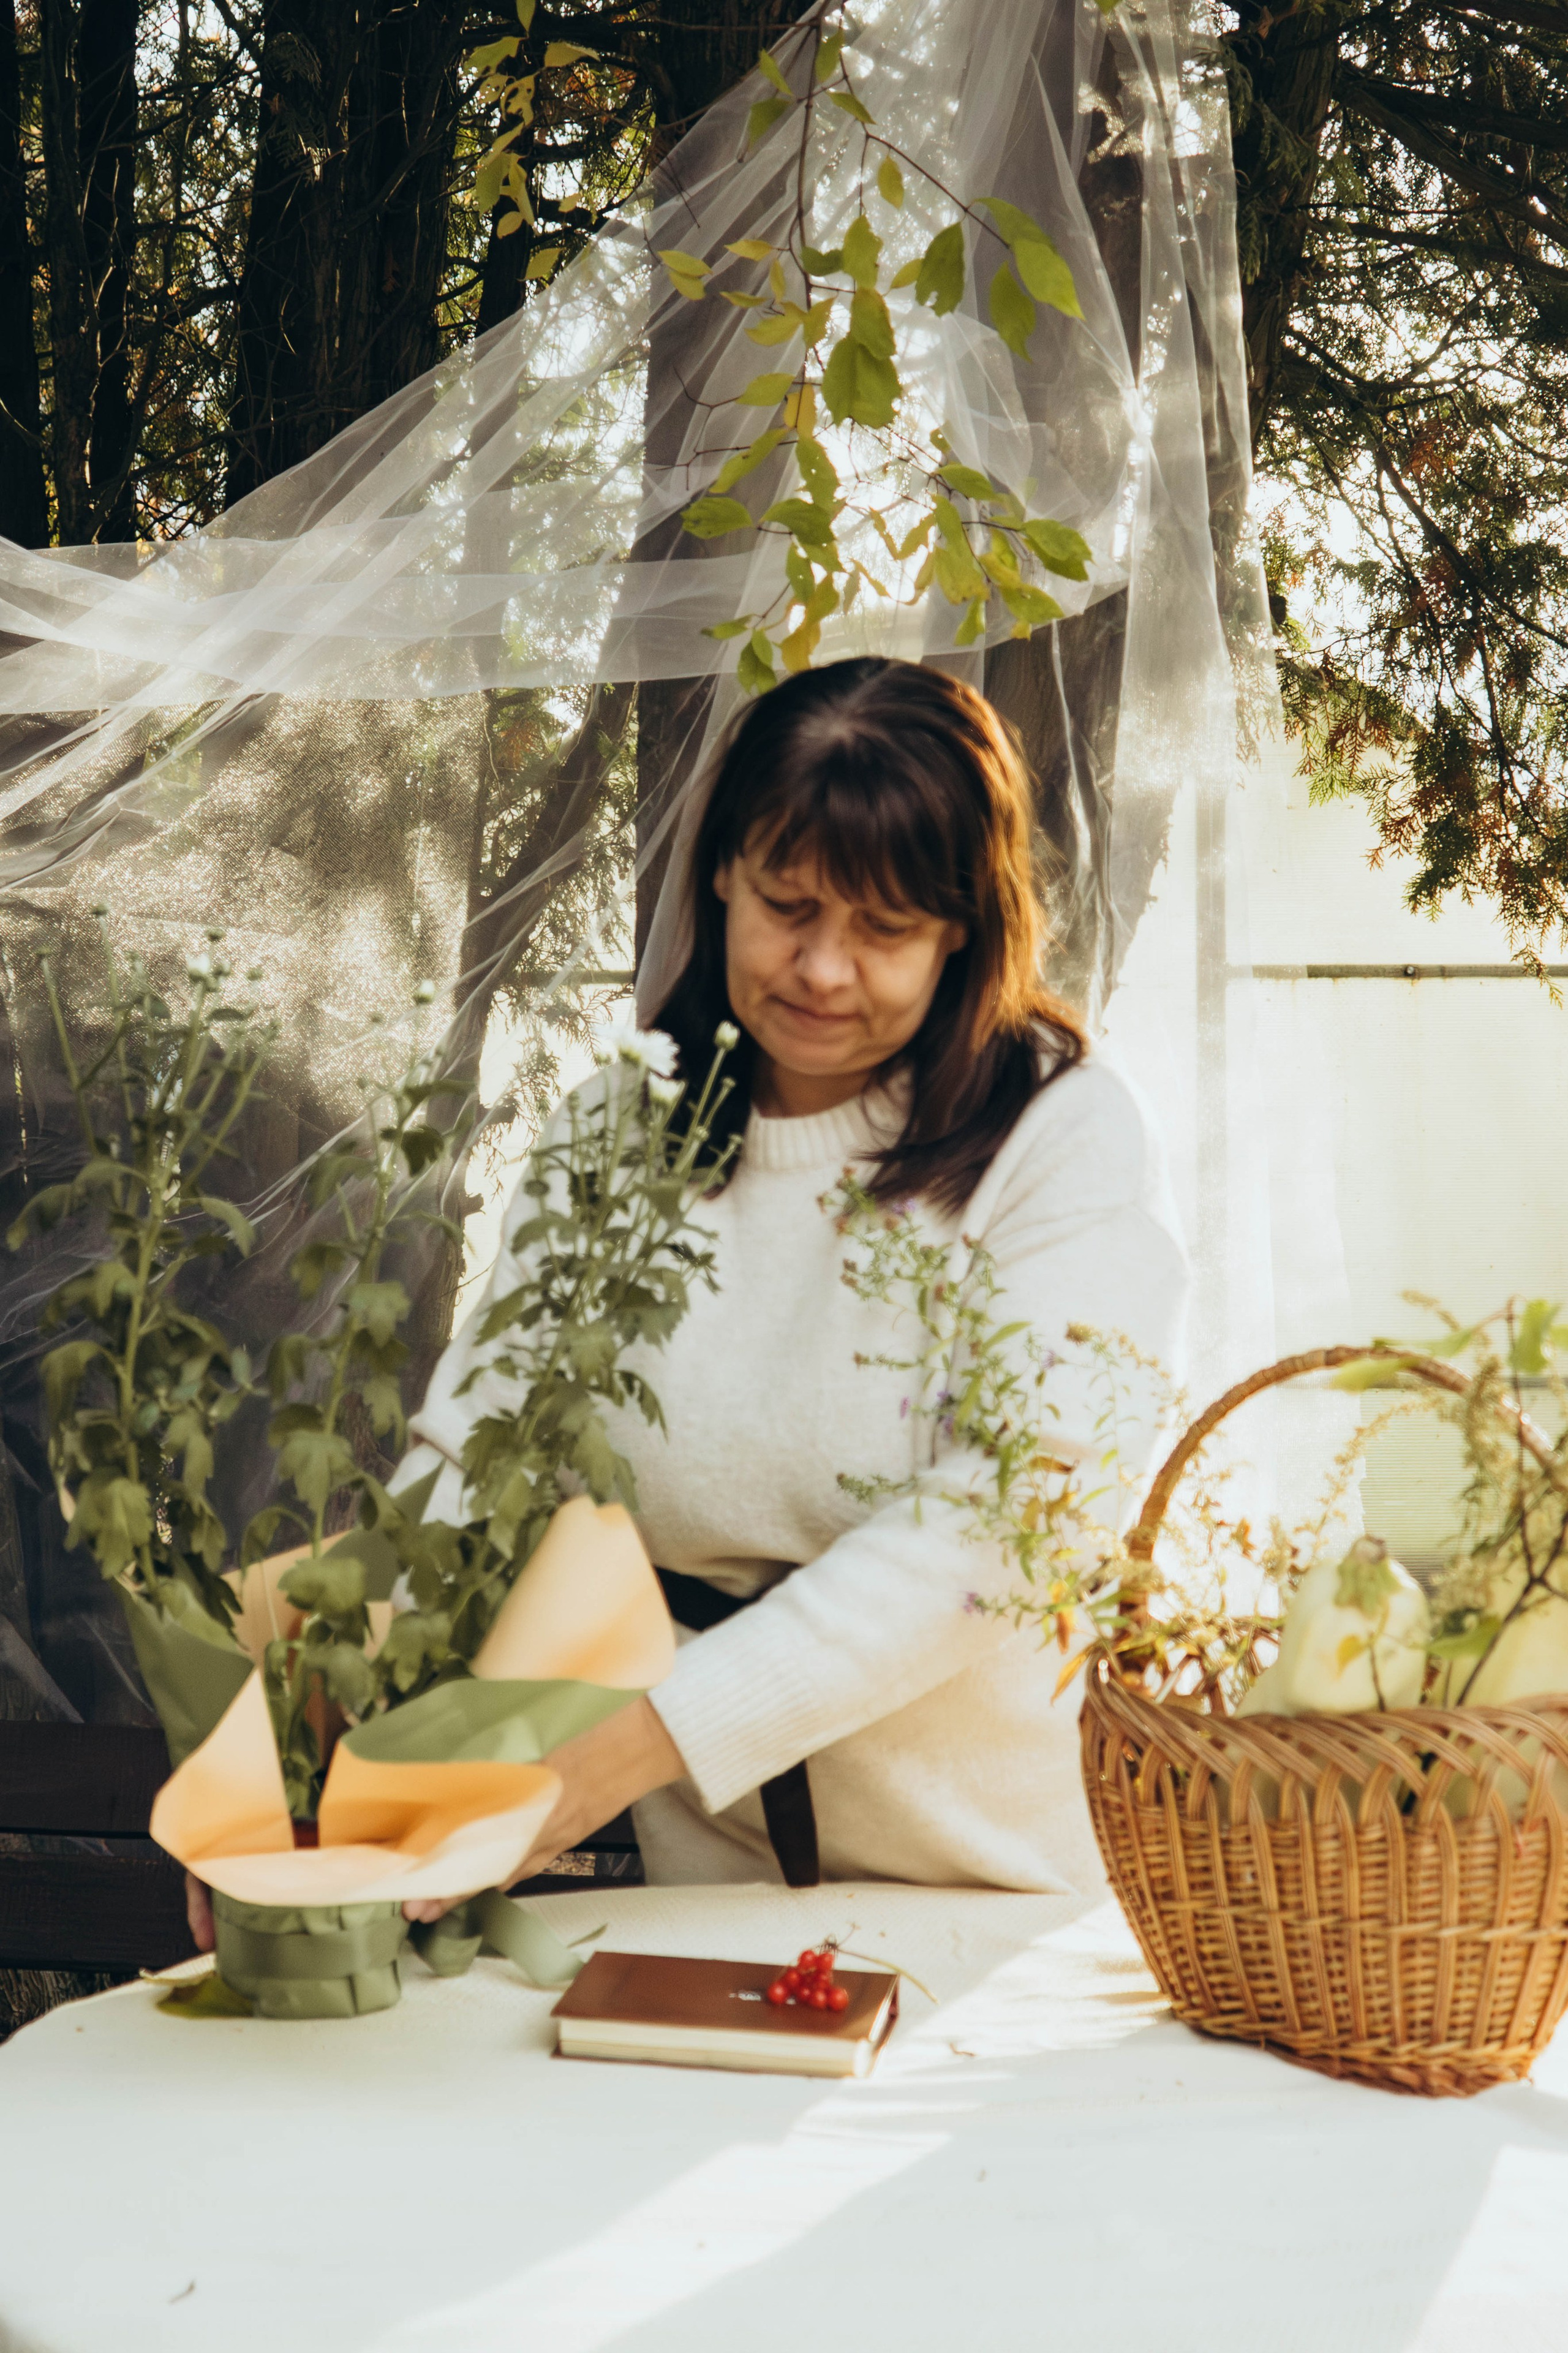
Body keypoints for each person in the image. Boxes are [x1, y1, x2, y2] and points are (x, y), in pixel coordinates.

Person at [401, 653, 1189, 1907]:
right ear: (720, 874)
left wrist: (622, 1753)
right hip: (706, 1895)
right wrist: (334, 1723)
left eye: (884, 928)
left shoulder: (1062, 1135)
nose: (823, 968)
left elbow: (1011, 1522)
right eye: (788, 905)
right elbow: (479, 1451)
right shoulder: (620, 1130)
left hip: (995, 1896)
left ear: (963, 931)